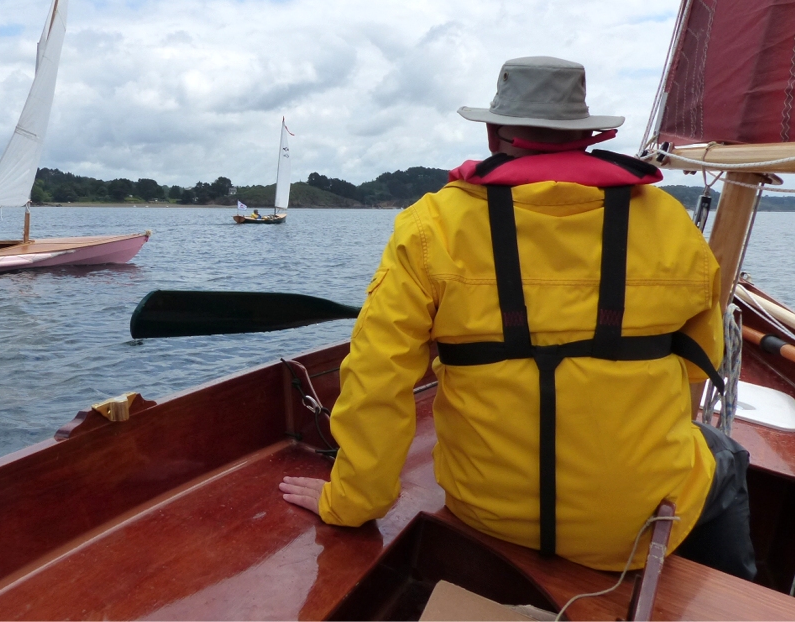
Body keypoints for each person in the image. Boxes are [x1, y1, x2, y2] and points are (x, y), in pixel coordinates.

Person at [280, 56, 756, 580]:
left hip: (485, 511)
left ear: (492, 133)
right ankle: (731, 598)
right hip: (633, 527)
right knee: (725, 457)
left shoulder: (430, 227)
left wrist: (352, 502)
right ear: (588, 134)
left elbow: (375, 383)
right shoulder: (670, 224)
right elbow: (699, 366)